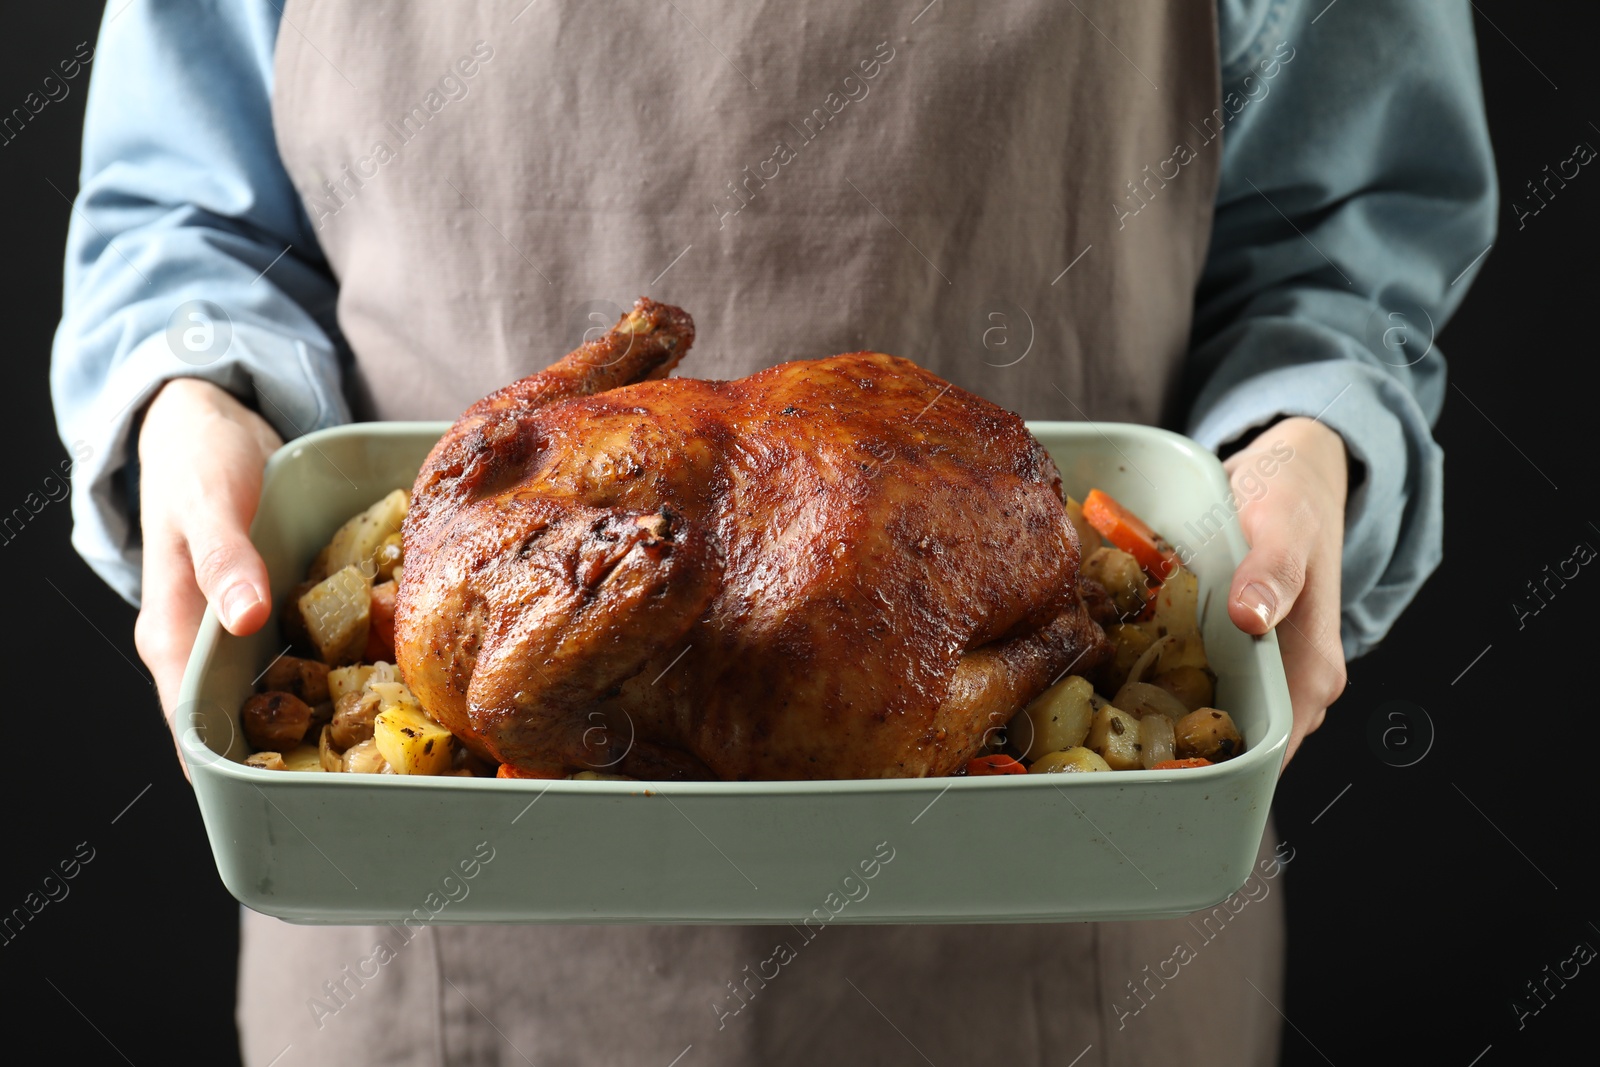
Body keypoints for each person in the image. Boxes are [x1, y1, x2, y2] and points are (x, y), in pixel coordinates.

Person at [51, 1, 1494, 1063]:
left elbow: (1345, 223)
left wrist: (1307, 443)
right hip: (434, 968)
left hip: (1062, 961)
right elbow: (187, 212)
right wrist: (196, 396)